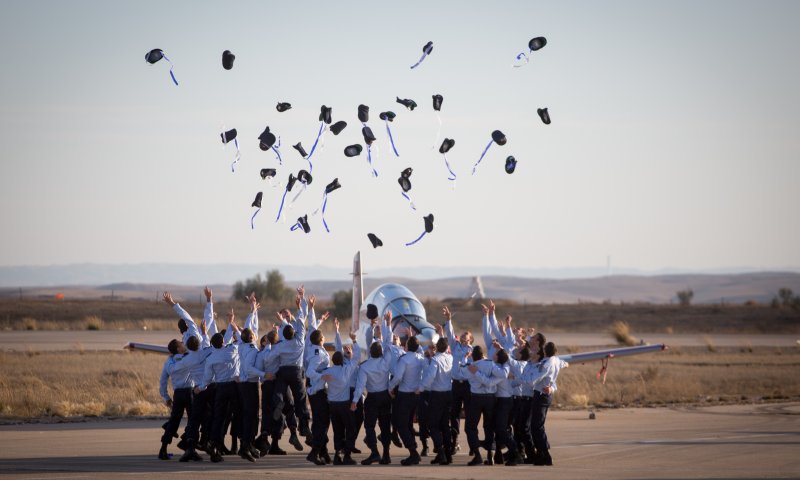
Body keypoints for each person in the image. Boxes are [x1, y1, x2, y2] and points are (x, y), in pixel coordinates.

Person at [194, 310, 241, 463]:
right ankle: (243, 443)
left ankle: (214, 446)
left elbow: (207, 380)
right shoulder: (232, 350)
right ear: (224, 343)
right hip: (234, 387)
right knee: (238, 415)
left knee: (218, 418)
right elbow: (237, 340)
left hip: (220, 389)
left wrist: (200, 388)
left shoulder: (211, 358)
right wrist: (232, 324)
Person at [267, 291, 312, 441]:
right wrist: (301, 303)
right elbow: (301, 319)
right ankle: (304, 424)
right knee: (300, 398)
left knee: (279, 390)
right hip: (297, 371)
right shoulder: (299, 340)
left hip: (283, 371)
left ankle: (278, 402)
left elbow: (270, 358)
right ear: (294, 332)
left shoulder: (280, 345)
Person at [352, 311, 394, 465]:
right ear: (381, 352)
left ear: (370, 352)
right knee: (384, 427)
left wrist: (355, 400)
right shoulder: (386, 362)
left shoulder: (365, 367)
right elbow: (389, 343)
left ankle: (375, 452)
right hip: (385, 397)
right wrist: (388, 324)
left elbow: (360, 385)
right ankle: (386, 454)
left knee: (370, 426)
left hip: (372, 398)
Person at [322, 319, 361, 466]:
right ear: (343, 359)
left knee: (337, 431)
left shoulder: (329, 371)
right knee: (350, 429)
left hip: (333, 405)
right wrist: (354, 340)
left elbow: (339, 349)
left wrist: (337, 331)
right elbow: (357, 357)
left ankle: (337, 454)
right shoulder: (347, 369)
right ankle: (347, 455)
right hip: (344, 405)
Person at [522, 341, 568, 466]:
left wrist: (524, 379)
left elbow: (535, 379)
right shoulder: (556, 360)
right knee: (537, 426)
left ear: (545, 351)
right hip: (545, 395)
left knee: (536, 426)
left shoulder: (545, 364)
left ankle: (545, 455)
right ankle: (541, 454)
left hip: (540, 395)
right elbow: (565, 363)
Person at [169, 334, 213, 462]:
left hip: (197, 390)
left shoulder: (186, 360)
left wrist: (173, 359)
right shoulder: (206, 352)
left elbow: (174, 369)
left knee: (194, 419)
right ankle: (207, 442)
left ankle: (190, 446)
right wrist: (205, 334)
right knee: (209, 418)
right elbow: (214, 347)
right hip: (208, 388)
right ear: (199, 344)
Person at [388, 331, 425, 465]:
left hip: (404, 395)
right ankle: (414, 449)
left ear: (407, 346)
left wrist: (390, 387)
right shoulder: (421, 358)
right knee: (408, 424)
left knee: (401, 424)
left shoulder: (404, 359)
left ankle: (413, 453)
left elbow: (398, 377)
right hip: (416, 395)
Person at [463, 344, 503, 466]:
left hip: (476, 398)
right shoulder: (490, 364)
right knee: (489, 426)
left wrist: (466, 362)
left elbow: (460, 375)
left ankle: (477, 454)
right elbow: (501, 374)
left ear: (473, 356)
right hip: (490, 398)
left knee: (470, 427)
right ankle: (490, 455)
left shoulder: (471, 367)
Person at [443, 305, 473, 455]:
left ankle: (473, 445)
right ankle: (454, 442)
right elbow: (450, 334)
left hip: (467, 386)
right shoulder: (455, 348)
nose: (462, 337)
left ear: (470, 339)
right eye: (462, 335)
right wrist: (448, 320)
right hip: (456, 384)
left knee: (469, 415)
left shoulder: (473, 351)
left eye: (465, 336)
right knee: (454, 415)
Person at [419, 333, 453, 466]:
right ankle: (447, 454)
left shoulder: (435, 360)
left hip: (437, 395)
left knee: (433, 425)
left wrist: (421, 388)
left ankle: (441, 452)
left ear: (437, 348)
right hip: (448, 394)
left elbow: (430, 377)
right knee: (445, 425)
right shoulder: (450, 358)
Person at [305, 313, 332, 465]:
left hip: (315, 391)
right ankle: (315, 452)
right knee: (323, 422)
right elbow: (310, 372)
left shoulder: (311, 347)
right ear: (321, 340)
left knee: (319, 422)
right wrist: (323, 376)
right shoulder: (318, 353)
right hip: (318, 391)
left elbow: (312, 330)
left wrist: (320, 320)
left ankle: (324, 452)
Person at [157, 338, 190, 460]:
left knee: (173, 421)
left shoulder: (169, 362)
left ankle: (163, 448)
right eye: (181, 344)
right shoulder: (188, 358)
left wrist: (166, 396)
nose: (184, 344)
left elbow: (163, 381)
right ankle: (187, 445)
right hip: (189, 393)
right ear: (178, 349)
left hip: (178, 394)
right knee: (193, 420)